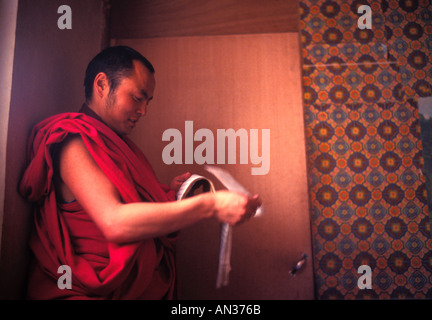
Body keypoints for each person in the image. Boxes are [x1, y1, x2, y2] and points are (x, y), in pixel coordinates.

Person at [19, 46, 261, 300]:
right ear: (101, 84)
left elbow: (126, 204)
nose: (143, 110)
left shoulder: (121, 146)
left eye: (148, 102)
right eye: (137, 97)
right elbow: (114, 222)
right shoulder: (74, 142)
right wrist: (209, 205)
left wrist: (165, 192)